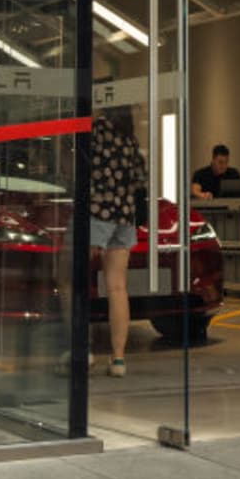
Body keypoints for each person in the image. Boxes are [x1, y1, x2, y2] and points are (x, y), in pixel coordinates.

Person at [88, 110, 147, 378]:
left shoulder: (97, 130)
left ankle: (83, 350)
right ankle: (119, 358)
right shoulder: (130, 139)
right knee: (117, 287)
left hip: (97, 213)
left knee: (77, 281)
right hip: (124, 216)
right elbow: (140, 178)